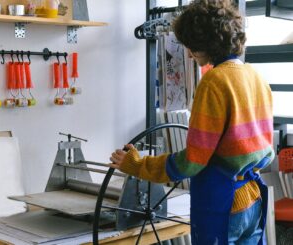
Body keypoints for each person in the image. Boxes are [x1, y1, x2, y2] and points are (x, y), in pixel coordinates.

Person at [109, 0, 274, 244]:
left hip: (222, 202)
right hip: (252, 200)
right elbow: (263, 150)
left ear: (206, 42)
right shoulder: (256, 77)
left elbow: (192, 162)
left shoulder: (214, 81)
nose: (188, 53)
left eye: (191, 46)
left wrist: (138, 164)